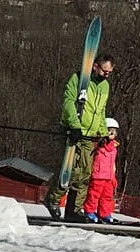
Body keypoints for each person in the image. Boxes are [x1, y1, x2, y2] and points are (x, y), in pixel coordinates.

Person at [43, 55, 114, 222]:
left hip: (90, 136)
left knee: (85, 174)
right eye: (105, 71)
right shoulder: (78, 79)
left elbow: (101, 110)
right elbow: (68, 103)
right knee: (71, 171)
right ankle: (53, 198)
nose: (107, 75)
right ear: (96, 67)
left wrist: (102, 132)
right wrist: (74, 125)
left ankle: (74, 209)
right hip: (75, 132)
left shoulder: (105, 86)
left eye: (110, 72)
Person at [84, 118, 120, 224]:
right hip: (98, 176)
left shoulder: (114, 147)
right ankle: (89, 211)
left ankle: (104, 213)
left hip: (109, 177)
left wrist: (113, 177)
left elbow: (113, 164)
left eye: (114, 131)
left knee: (107, 196)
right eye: (110, 130)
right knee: (94, 195)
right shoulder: (98, 145)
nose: (112, 133)